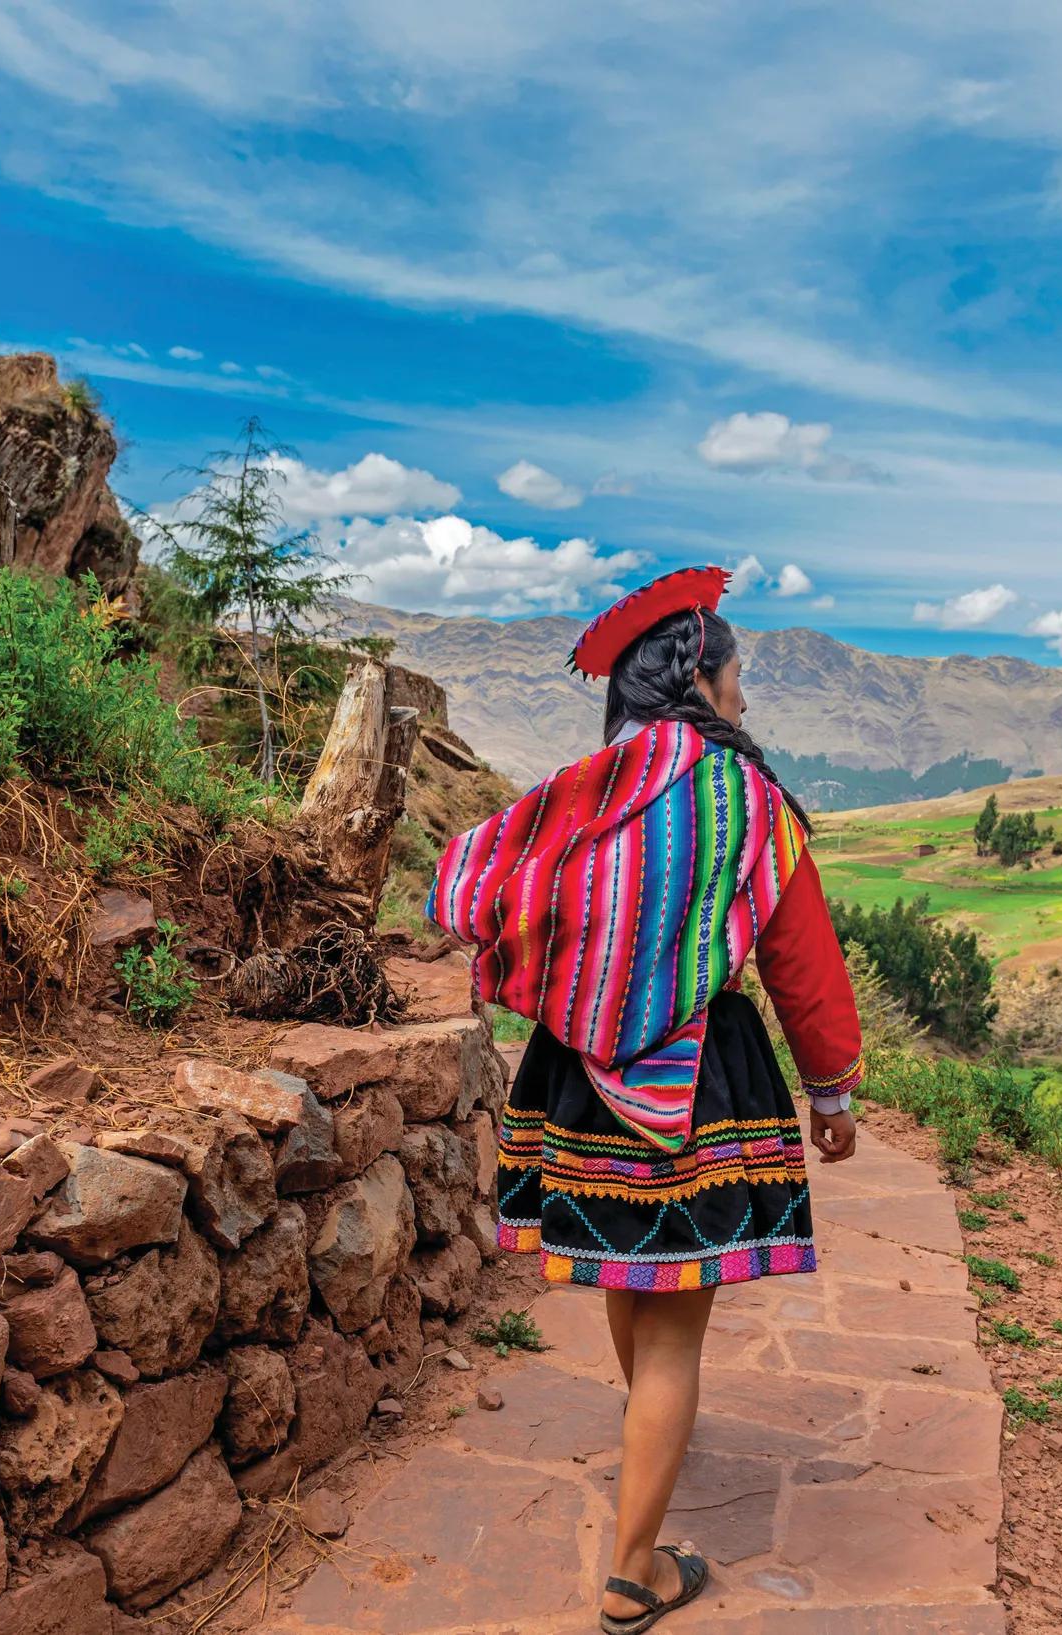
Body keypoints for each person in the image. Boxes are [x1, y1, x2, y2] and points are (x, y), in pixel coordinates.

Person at [429, 565, 865, 1633]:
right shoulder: (750, 803)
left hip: (577, 1075)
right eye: (736, 676)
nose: (744, 700)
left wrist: (554, 984)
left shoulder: (581, 792)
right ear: (698, 681)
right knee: (675, 1335)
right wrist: (832, 1088)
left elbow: (473, 884)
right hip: (702, 1080)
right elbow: (799, 962)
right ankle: (635, 1572)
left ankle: (646, 1445)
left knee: (635, 1283)